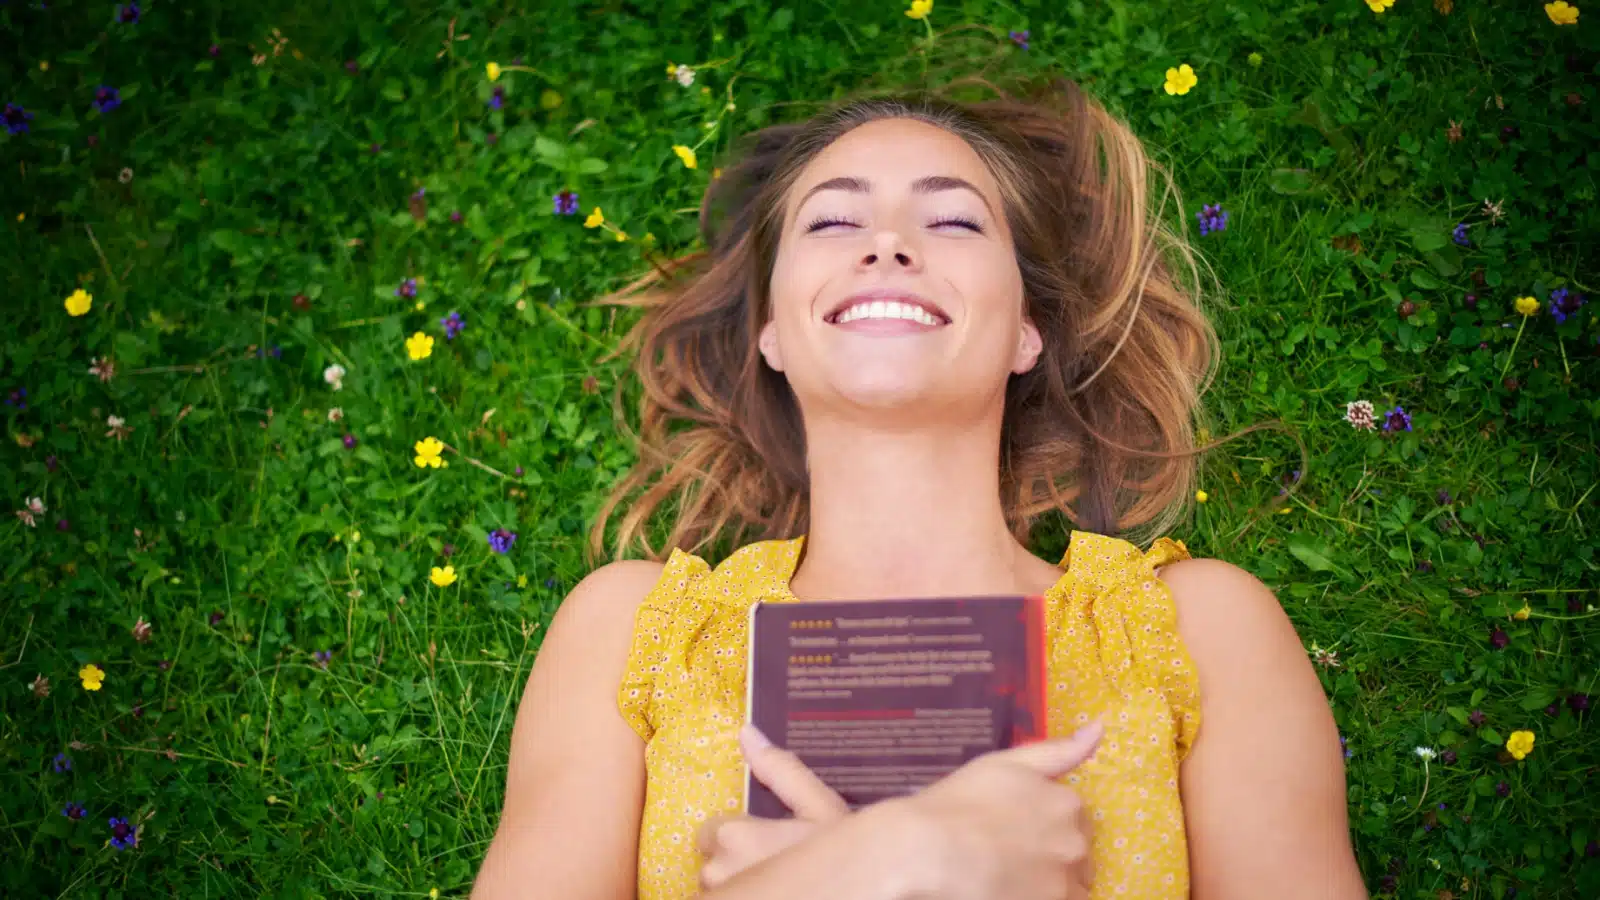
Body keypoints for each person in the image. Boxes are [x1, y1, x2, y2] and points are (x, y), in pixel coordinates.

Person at [474, 80, 1367, 900]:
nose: (888, 243)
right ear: (774, 331)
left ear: (1026, 330)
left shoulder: (1199, 626)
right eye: (830, 224)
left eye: (953, 223)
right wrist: (887, 863)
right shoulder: (634, 626)